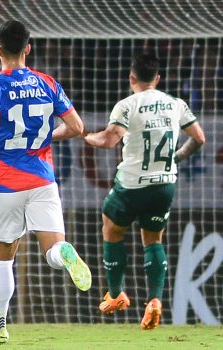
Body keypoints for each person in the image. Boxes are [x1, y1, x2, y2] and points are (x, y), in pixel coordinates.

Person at [0, 20, 92, 344]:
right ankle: (65, 253)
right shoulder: (47, 83)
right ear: (28, 48)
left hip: (3, 184)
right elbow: (77, 127)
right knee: (52, 249)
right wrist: (44, 138)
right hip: (42, 179)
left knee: (2, 257)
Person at [84, 52, 206, 330]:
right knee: (153, 240)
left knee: (111, 228)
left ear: (131, 78)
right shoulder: (175, 103)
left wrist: (86, 137)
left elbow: (109, 139)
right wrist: (177, 157)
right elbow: (199, 138)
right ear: (158, 78)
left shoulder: (127, 105)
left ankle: (115, 295)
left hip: (131, 184)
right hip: (164, 184)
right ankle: (154, 301)